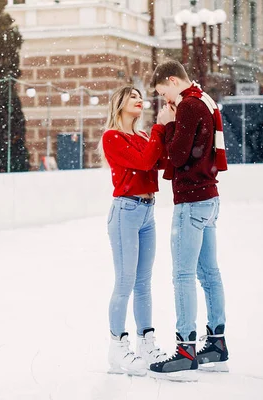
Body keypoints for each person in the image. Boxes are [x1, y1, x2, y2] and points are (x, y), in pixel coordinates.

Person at [148, 60, 229, 382]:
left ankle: (185, 348)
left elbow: (179, 155)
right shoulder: (205, 100)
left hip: (192, 200)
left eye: (162, 91)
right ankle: (217, 342)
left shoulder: (188, 106)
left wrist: (167, 123)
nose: (164, 98)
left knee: (183, 275)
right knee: (210, 274)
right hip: (209, 197)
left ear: (171, 80)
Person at [100, 86, 169, 376]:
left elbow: (160, 162)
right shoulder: (112, 137)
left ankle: (146, 342)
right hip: (125, 212)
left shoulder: (142, 136)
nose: (139, 100)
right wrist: (159, 129)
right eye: (132, 97)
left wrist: (168, 130)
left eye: (141, 97)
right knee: (125, 281)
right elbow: (143, 162)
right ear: (119, 104)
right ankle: (117, 346)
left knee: (144, 283)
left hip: (147, 212)